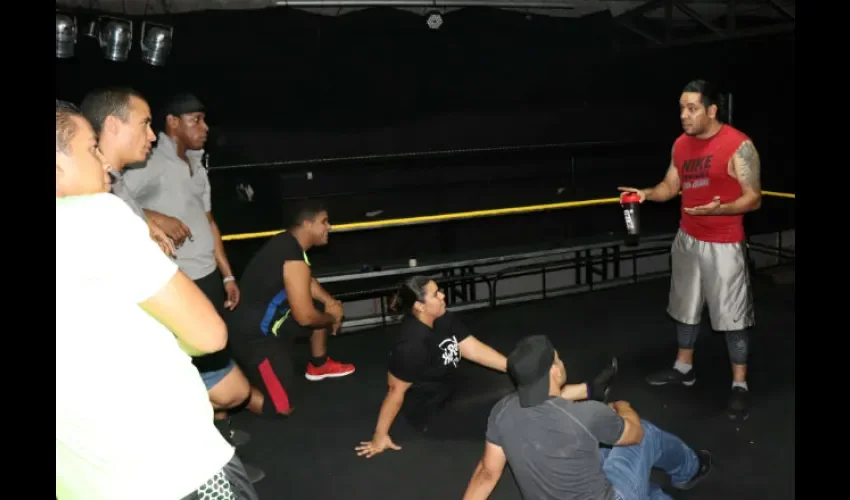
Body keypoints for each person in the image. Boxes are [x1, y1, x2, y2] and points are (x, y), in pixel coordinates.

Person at [55, 100, 259, 500]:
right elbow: (209, 335)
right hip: (173, 470)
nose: (104, 164)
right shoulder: (98, 213)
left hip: (84, 484)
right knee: (233, 386)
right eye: (91, 148)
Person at [120, 92, 264, 481]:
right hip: (176, 283)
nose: (204, 128)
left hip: (207, 277)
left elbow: (209, 222)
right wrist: (153, 217)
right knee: (191, 368)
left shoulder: (196, 164)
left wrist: (228, 274)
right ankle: (206, 459)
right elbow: (113, 193)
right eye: (196, 120)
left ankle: (219, 434)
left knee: (209, 363)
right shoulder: (150, 161)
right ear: (173, 123)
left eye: (204, 120)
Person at [617, 79, 762, 421]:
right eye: (681, 108)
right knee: (684, 308)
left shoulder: (739, 145)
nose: (684, 115)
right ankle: (684, 368)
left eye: (692, 108)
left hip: (724, 243)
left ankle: (739, 385)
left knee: (733, 318)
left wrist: (720, 209)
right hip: (687, 238)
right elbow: (671, 186)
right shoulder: (681, 145)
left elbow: (753, 198)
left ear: (712, 110)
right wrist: (646, 194)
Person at [355, 277, 618, 459]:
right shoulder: (410, 345)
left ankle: (587, 390)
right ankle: (588, 390)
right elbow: (394, 392)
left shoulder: (442, 317)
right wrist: (380, 436)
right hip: (433, 413)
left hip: (454, 384)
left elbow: (471, 348)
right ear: (420, 306)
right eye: (436, 294)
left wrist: (514, 367)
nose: (443, 295)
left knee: (516, 386)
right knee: (512, 405)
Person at [462, 335, 712, 500]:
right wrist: (623, 407)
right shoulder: (585, 414)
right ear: (554, 370)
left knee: (605, 452)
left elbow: (486, 473)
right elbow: (635, 434)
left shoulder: (502, 412)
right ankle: (691, 469)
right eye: (558, 358)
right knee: (646, 435)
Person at [227, 200, 356, 417]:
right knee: (281, 407)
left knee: (318, 305)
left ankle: (319, 364)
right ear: (307, 224)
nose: (329, 227)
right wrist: (331, 318)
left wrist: (330, 302)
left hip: (270, 324)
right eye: (324, 222)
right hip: (252, 338)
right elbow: (305, 318)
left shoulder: (289, 245)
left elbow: (306, 281)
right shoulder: (290, 252)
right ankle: (227, 386)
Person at [79, 87, 174, 256]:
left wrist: (146, 220)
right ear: (112, 125)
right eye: (144, 123)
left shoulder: (113, 182)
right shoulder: (96, 194)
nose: (152, 135)